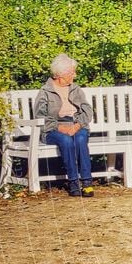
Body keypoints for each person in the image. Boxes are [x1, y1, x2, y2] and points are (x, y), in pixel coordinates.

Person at [34, 54, 95, 197]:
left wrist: (78, 125)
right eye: (72, 72)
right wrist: (60, 127)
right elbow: (40, 116)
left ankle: (87, 183)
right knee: (66, 140)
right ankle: (73, 182)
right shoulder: (45, 92)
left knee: (80, 139)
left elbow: (87, 110)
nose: (75, 75)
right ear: (61, 74)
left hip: (76, 124)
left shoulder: (75, 89)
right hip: (53, 129)